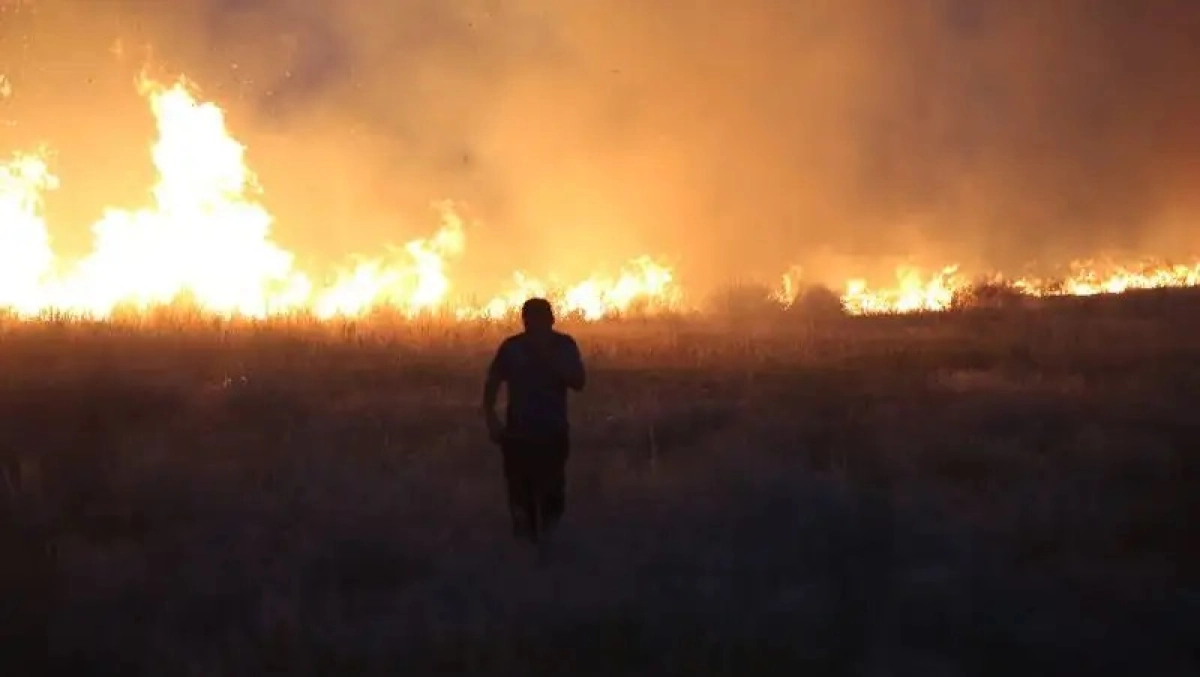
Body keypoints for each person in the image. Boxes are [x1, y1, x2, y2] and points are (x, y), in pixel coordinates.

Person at [482, 298, 586, 552]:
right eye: (531, 320)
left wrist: (552, 363)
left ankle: (550, 549)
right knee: (521, 498)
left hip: (552, 433)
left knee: (552, 494)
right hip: (519, 435)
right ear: (524, 321)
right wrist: (492, 419)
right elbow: (492, 384)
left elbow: (579, 382)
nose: (536, 325)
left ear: (551, 320)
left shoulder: (564, 346)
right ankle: (525, 554)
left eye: (540, 320)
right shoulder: (512, 348)